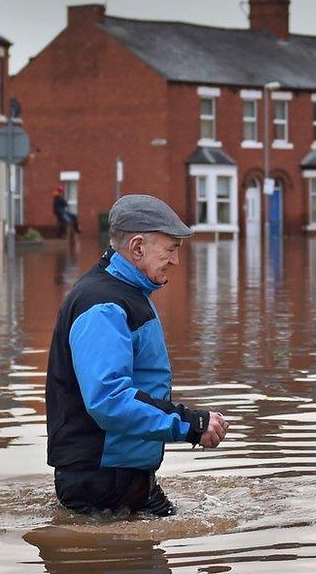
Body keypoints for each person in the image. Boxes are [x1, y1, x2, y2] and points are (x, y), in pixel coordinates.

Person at [45, 194, 230, 517]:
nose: (175, 261)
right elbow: (109, 399)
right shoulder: (104, 305)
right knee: (136, 563)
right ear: (138, 247)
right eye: (170, 250)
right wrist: (189, 423)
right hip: (100, 479)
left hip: (124, 474)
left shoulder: (126, 292)